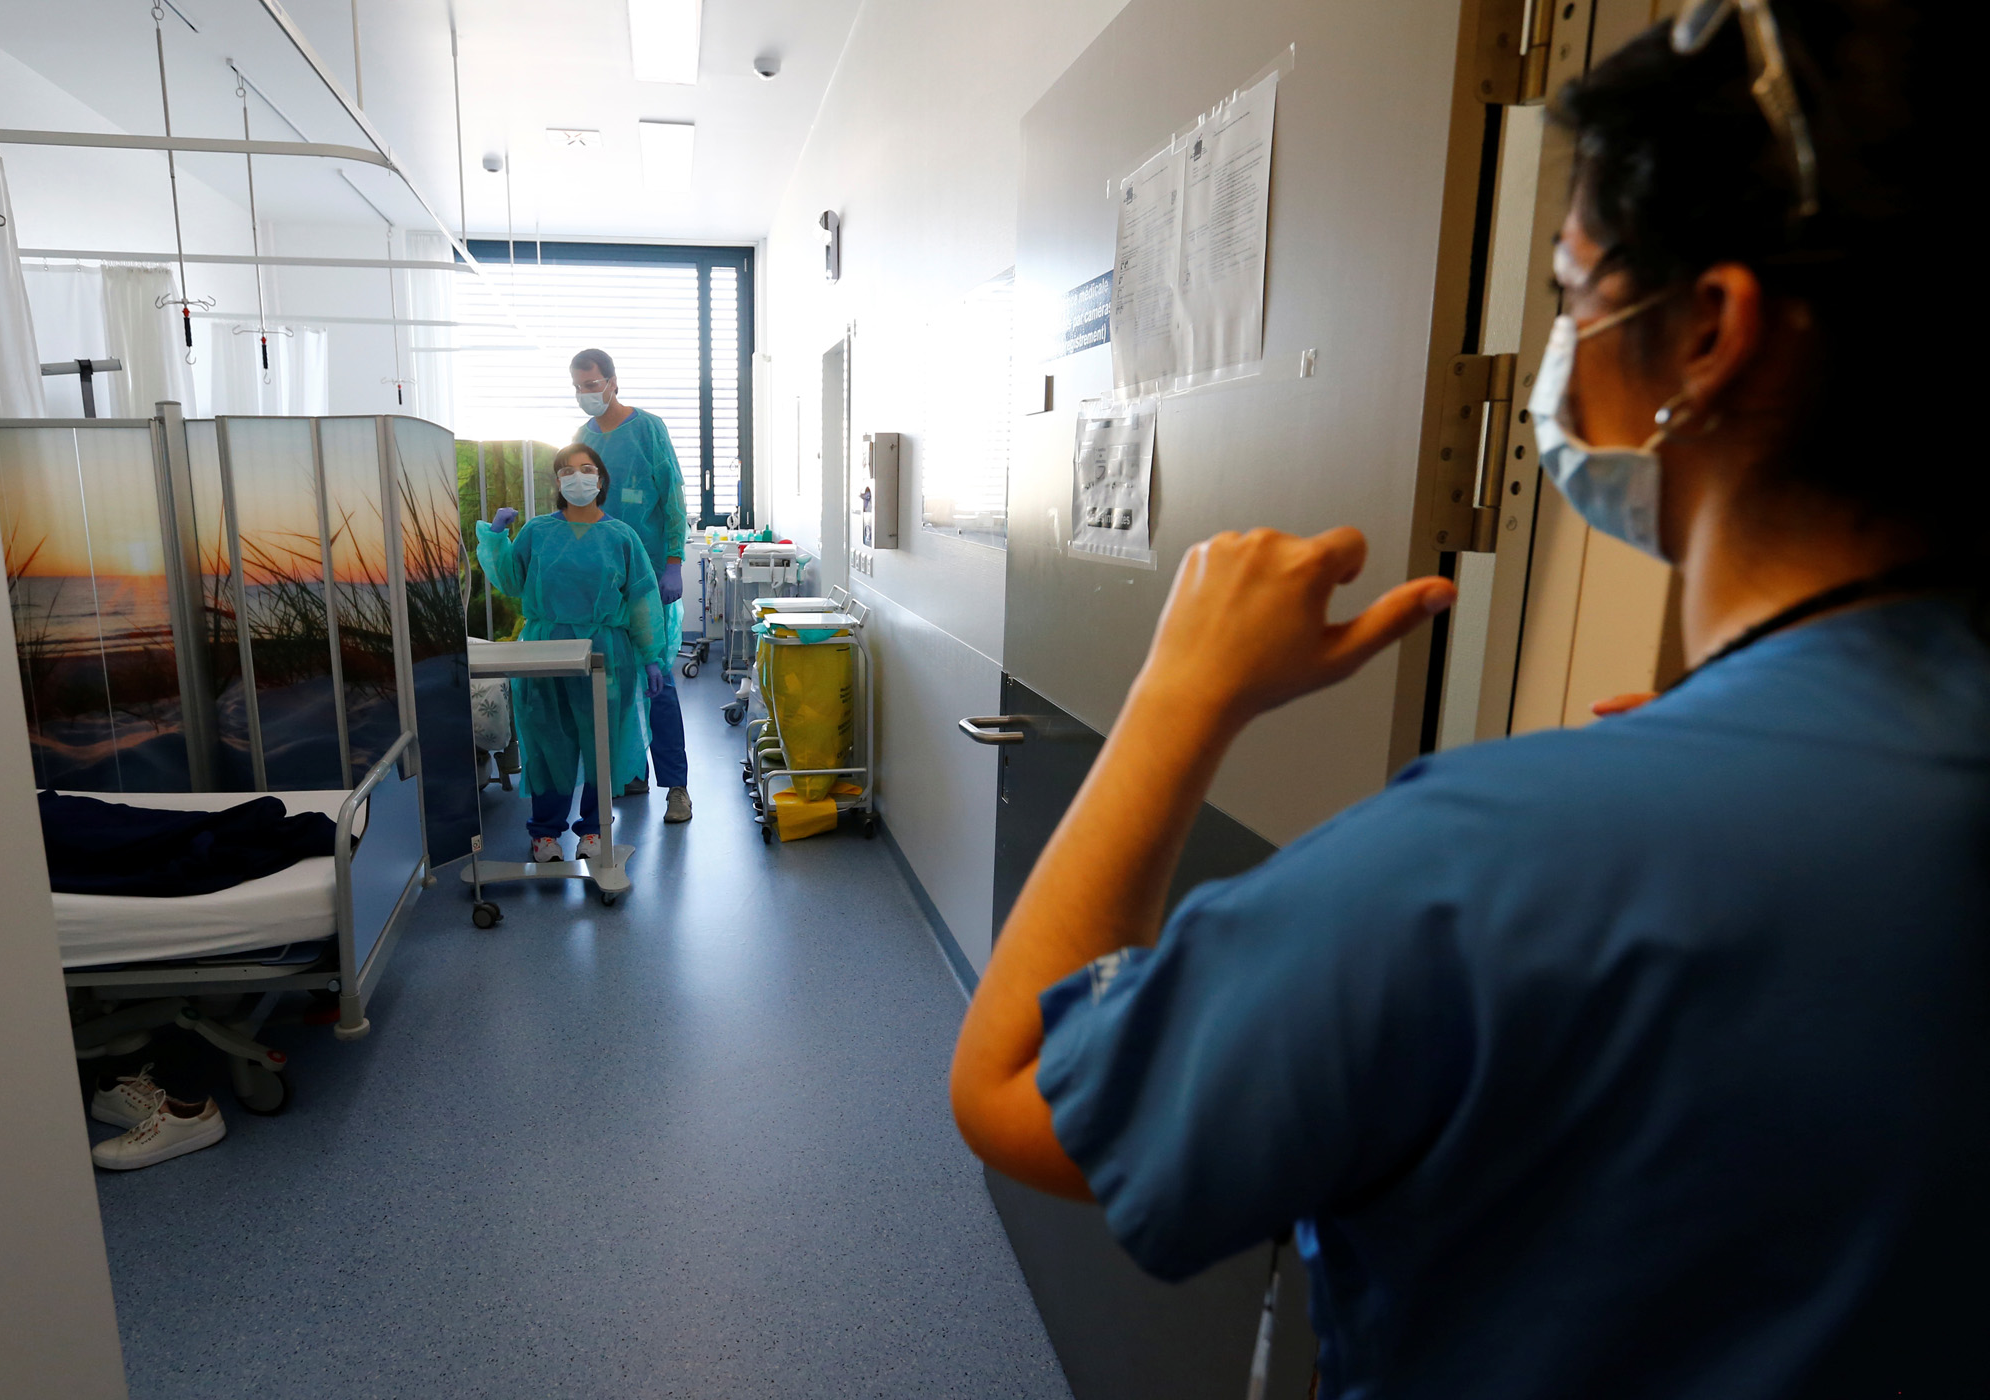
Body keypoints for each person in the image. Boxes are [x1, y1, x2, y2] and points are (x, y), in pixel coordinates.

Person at [950, 3, 1983, 1396]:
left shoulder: (1491, 867)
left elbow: (1015, 1086)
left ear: (1707, 334)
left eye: (1572, 287)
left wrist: (1178, 694)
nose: (1559, 340)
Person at [475, 444, 665, 863]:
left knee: (603, 743)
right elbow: (510, 581)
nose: (577, 478)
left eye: (586, 469)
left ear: (600, 479)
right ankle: (544, 834)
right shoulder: (538, 532)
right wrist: (496, 537)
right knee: (546, 743)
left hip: (607, 653)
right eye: (567, 471)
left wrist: (652, 655)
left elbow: (642, 601)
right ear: (558, 482)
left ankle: (594, 831)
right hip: (544, 651)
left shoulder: (621, 536)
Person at [571, 348, 693, 824]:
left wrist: (674, 562)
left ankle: (677, 787)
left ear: (613, 381)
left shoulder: (648, 430)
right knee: (615, 685)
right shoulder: (583, 439)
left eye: (593, 384)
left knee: (657, 682)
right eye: (579, 387)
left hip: (650, 582)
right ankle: (632, 771)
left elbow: (675, 498)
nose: (587, 394)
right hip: (607, 586)